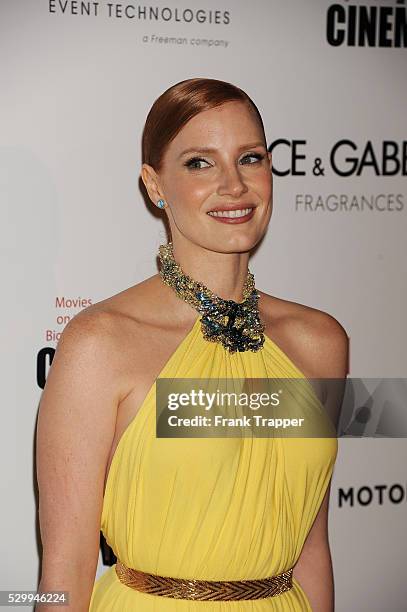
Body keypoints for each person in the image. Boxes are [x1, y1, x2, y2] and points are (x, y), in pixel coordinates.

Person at [36, 77, 348, 611]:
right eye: (200, 163)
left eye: (249, 158)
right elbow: (64, 571)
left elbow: (311, 548)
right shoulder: (101, 345)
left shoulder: (320, 343)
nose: (234, 186)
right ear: (154, 185)